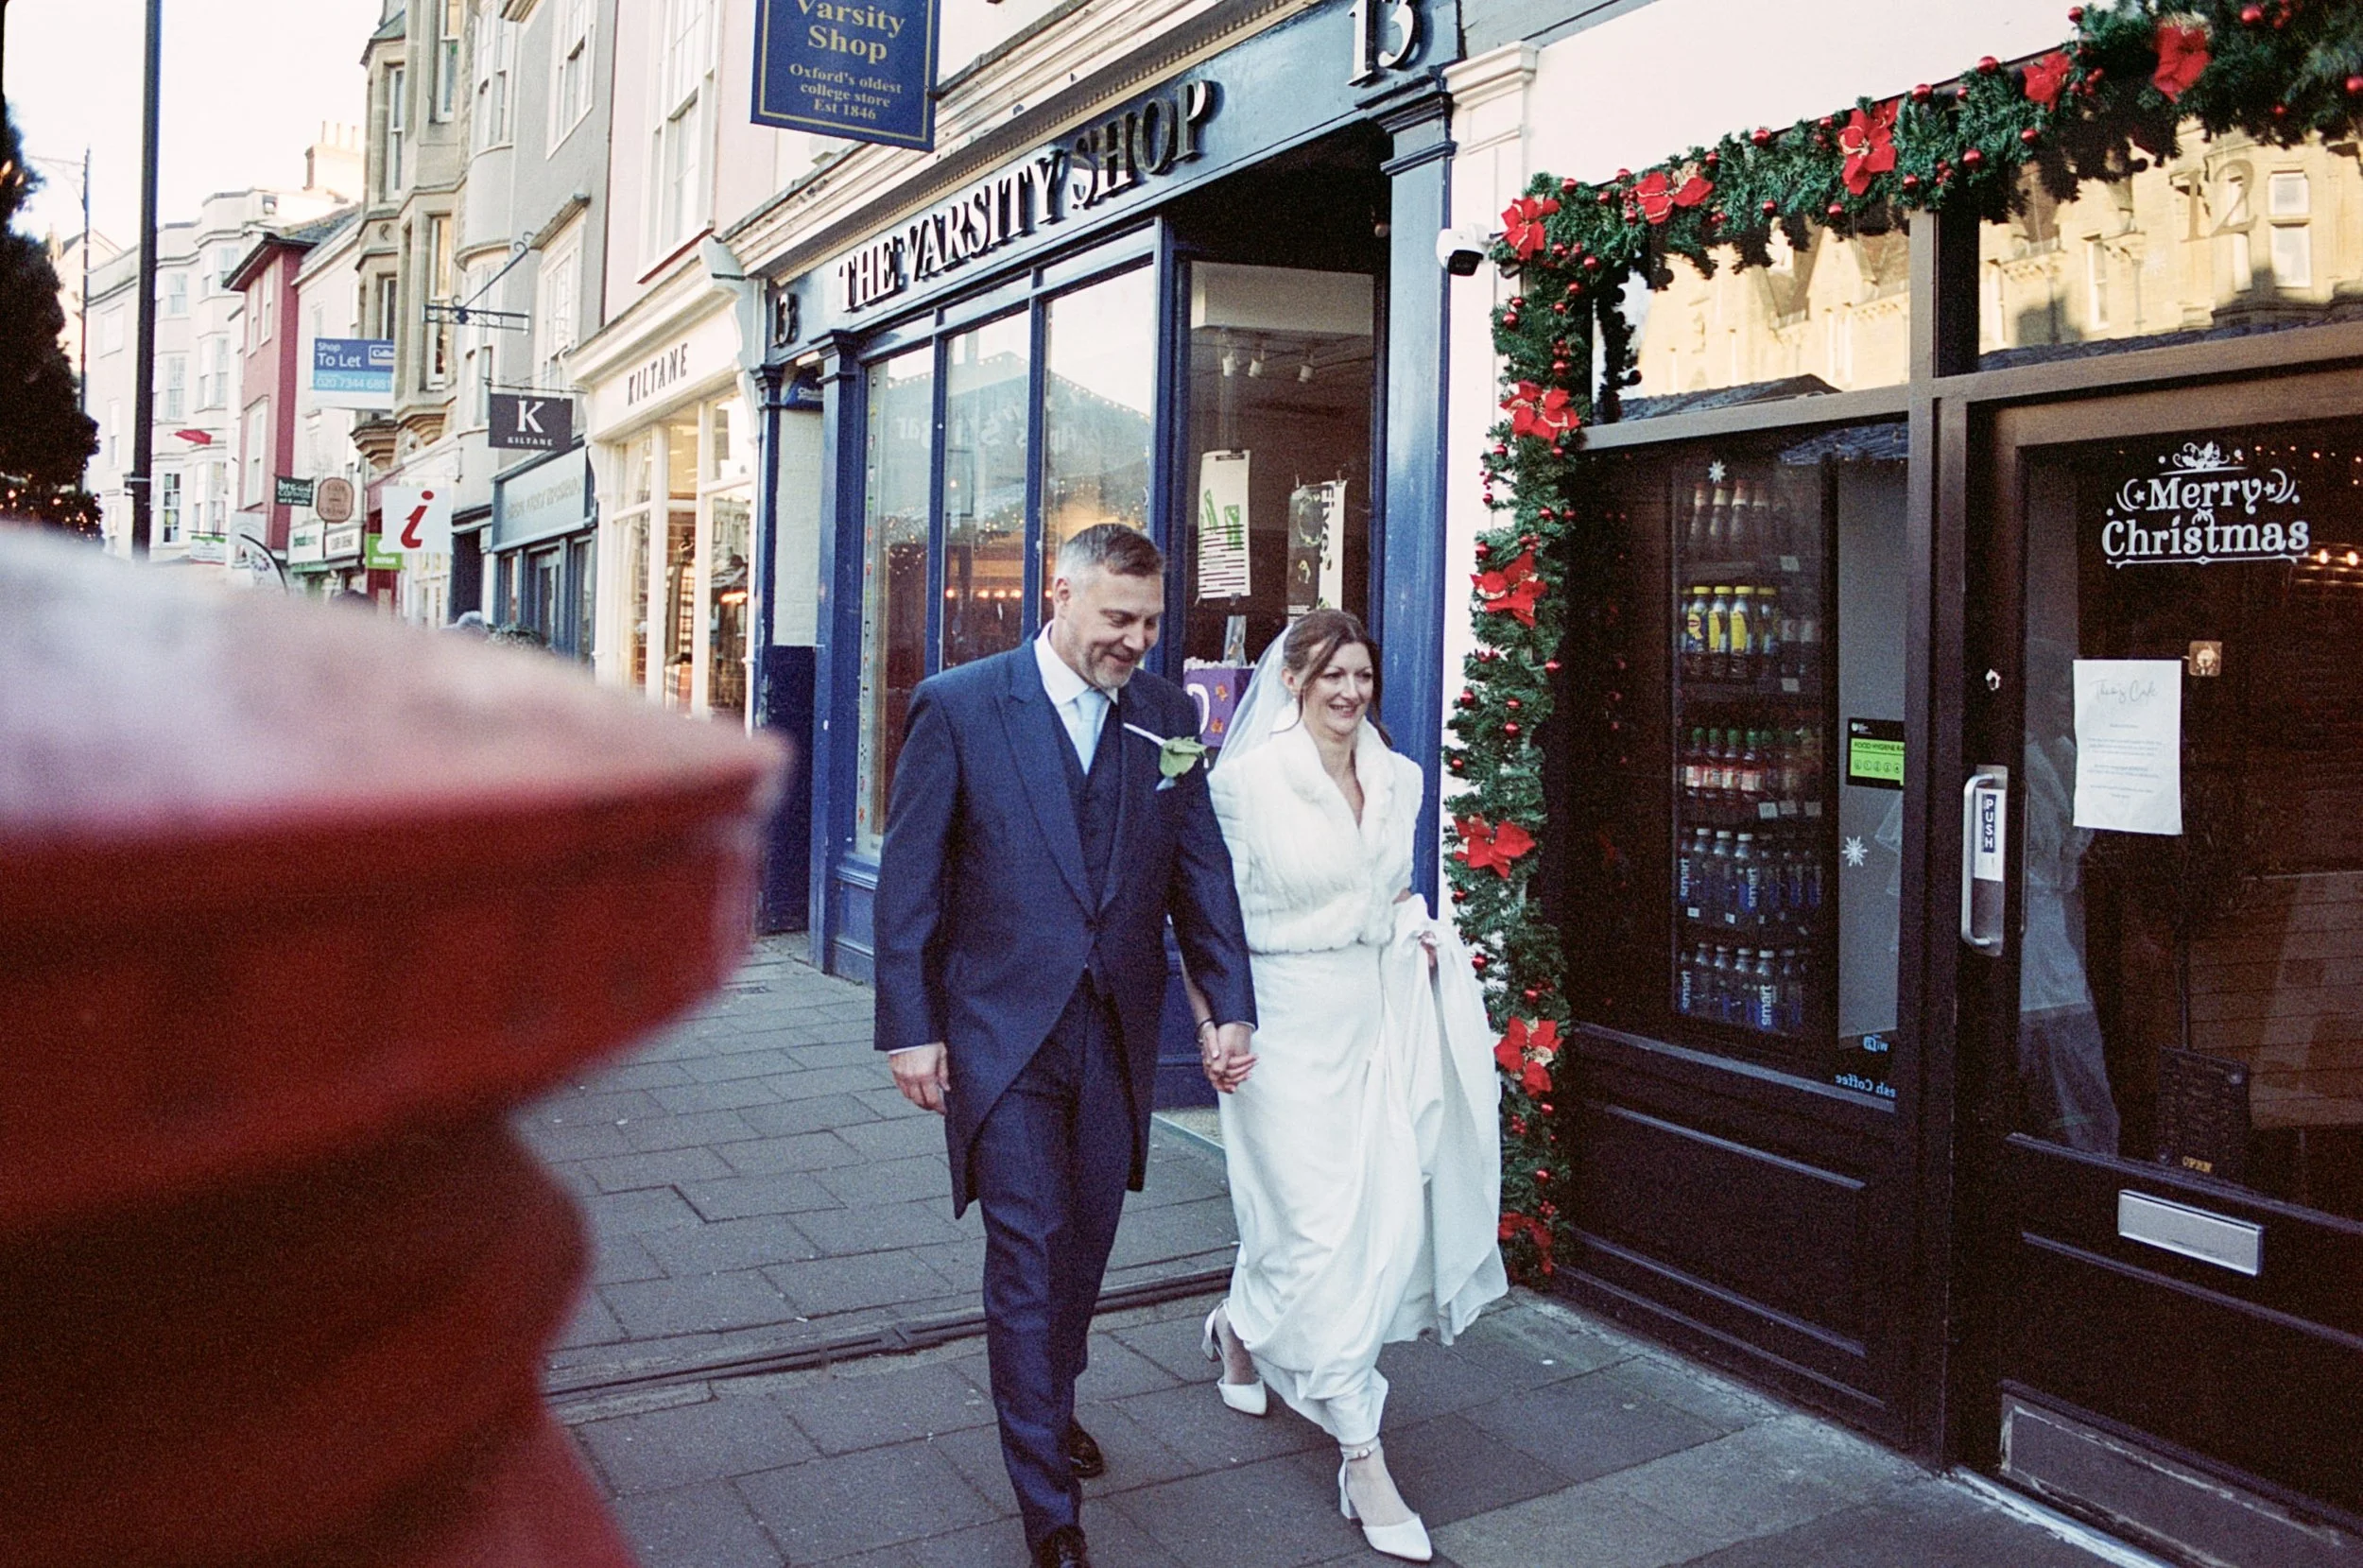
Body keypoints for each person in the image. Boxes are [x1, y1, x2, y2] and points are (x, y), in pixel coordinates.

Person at [873, 524, 1256, 1568]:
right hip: (1001, 1037)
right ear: (1059, 596)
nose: (1134, 640)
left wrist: (1228, 1003)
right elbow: (909, 882)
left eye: (1147, 621)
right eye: (1116, 619)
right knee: (1029, 1257)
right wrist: (910, 1029)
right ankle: (1049, 1512)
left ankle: (1049, 1400)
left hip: (1115, 1034)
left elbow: (1199, 868)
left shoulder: (1170, 715)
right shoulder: (959, 706)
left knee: (1083, 1247)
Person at [1190, 609, 1507, 1563]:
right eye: (1329, 674)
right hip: (1278, 1021)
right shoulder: (1243, 786)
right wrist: (1215, 1025)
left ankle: (1239, 1325)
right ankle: (1361, 1454)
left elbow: (1394, 893)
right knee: (1314, 1225)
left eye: (1361, 675)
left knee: (1370, 1220)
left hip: (1373, 1015)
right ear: (1291, 680)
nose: (1348, 692)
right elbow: (1208, 921)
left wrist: (1416, 933)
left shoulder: (1401, 779)